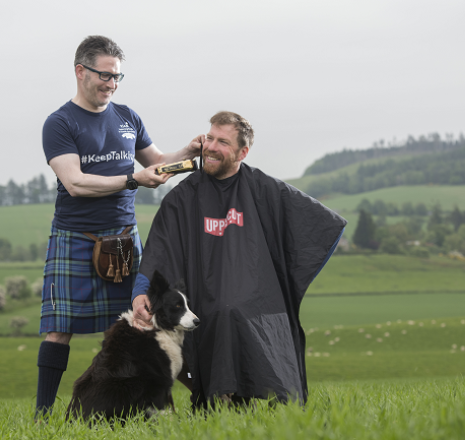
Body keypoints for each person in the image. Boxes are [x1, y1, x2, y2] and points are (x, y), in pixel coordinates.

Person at [131, 111, 347, 408]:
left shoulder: (264, 189)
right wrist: (140, 291)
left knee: (233, 308)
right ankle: (223, 398)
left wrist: (287, 280)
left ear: (243, 152)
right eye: (209, 138)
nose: (211, 147)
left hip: (259, 294)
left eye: (223, 141)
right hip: (202, 295)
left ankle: (259, 398)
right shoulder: (184, 197)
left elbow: (321, 225)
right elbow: (159, 249)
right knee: (223, 309)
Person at [35, 35, 200, 417]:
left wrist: (187, 154)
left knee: (146, 320)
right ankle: (43, 415)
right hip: (76, 237)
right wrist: (132, 180)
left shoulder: (127, 117)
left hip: (126, 240)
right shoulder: (59, 123)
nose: (111, 84)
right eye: (105, 76)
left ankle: (180, 399)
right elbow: (75, 182)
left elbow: (155, 160)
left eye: (118, 77)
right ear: (81, 71)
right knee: (60, 328)